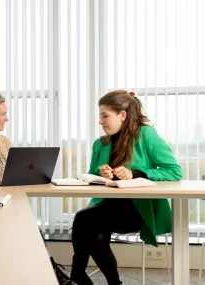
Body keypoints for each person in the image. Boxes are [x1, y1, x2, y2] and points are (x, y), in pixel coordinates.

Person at [69, 90, 182, 285]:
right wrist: (101, 175)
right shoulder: (101, 143)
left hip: (138, 209)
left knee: (83, 219)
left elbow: (174, 171)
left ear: (122, 115)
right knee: (92, 229)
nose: (101, 121)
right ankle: (110, 283)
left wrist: (136, 174)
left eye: (105, 116)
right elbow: (90, 178)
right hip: (107, 207)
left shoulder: (146, 134)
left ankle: (77, 277)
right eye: (100, 116)